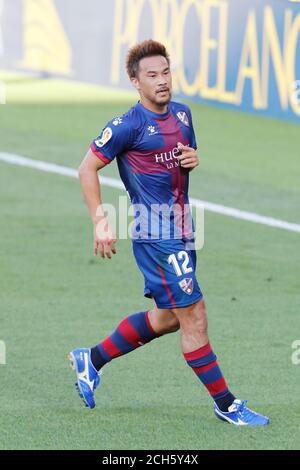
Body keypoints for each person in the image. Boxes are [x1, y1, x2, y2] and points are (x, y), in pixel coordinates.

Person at [69, 39, 269, 426]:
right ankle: (227, 405)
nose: (162, 81)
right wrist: (101, 220)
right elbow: (86, 168)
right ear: (135, 81)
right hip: (155, 234)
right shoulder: (126, 125)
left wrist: (193, 160)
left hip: (183, 229)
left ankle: (90, 359)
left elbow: (182, 160)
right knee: (194, 314)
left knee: (169, 317)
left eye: (165, 72)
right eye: (152, 75)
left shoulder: (183, 115)